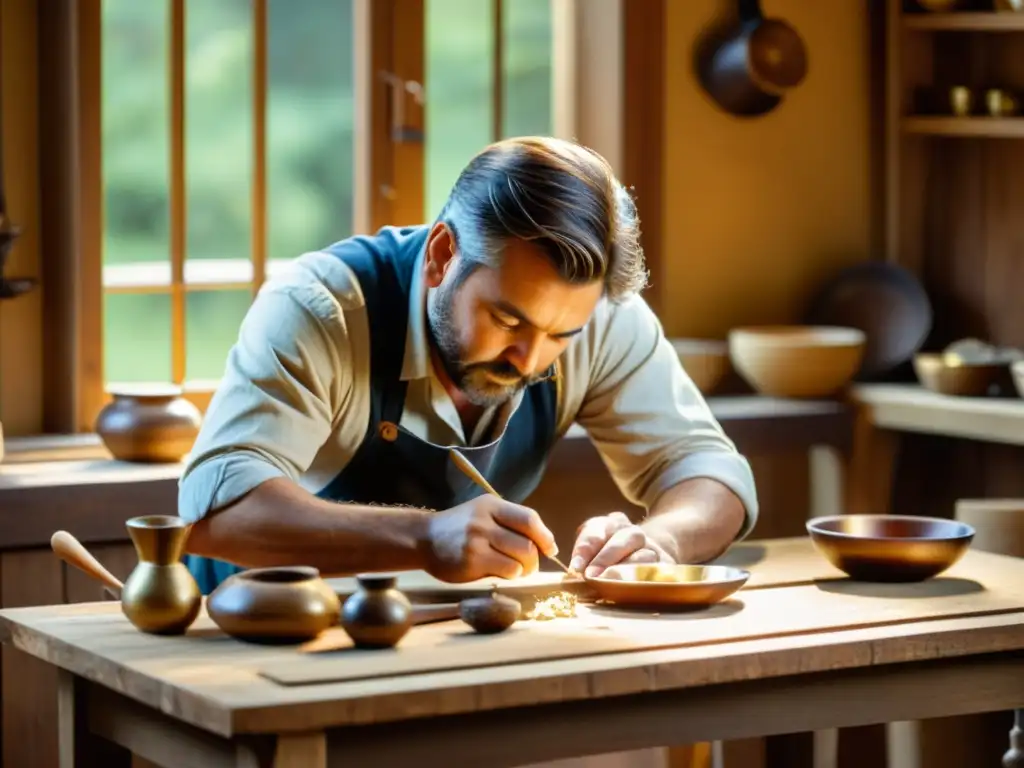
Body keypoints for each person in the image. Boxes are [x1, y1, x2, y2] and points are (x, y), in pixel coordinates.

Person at [177, 136, 758, 595]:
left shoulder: (601, 318)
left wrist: (660, 544)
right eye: (508, 321)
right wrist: (425, 537)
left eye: (561, 334)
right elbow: (218, 510)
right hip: (252, 633)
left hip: (436, 641)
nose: (530, 359)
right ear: (441, 256)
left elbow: (708, 470)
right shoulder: (321, 308)